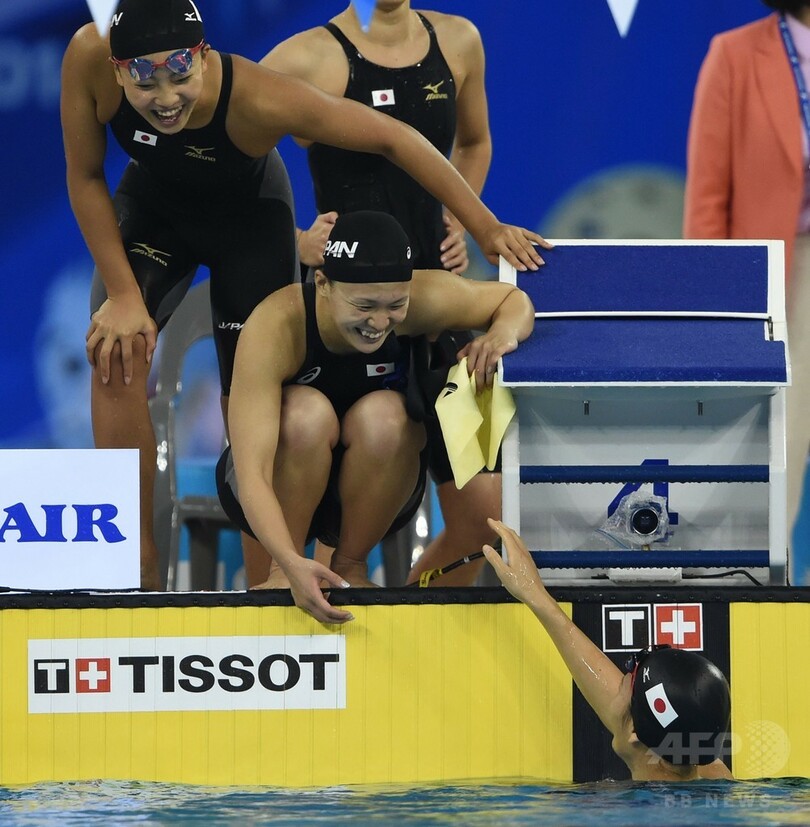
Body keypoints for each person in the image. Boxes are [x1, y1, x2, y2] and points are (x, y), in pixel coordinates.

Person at [61, 0, 549, 589]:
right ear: (116, 69)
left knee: (274, 410)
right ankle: (134, 570)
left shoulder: (258, 95)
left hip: (251, 224)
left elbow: (393, 138)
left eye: (180, 75)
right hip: (153, 212)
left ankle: (270, 584)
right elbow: (86, 176)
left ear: (205, 58)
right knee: (114, 350)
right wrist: (121, 293)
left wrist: (484, 227)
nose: (165, 98)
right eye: (144, 79)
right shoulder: (87, 57)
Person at [262, 0, 504, 586]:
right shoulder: (308, 56)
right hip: (345, 312)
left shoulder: (459, 41)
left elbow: (475, 144)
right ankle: (302, 624)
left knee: (490, 522)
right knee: (316, 533)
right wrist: (294, 238)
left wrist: (456, 215)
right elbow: (229, 152)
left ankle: (410, 627)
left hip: (435, 301)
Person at [216, 210, 536, 623]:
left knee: (388, 416)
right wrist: (286, 563)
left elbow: (514, 300)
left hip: (375, 485)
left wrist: (501, 334)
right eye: (364, 306)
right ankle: (284, 572)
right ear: (323, 284)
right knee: (305, 414)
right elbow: (252, 472)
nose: (379, 322)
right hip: (268, 481)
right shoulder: (276, 325)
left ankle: (350, 570)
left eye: (395, 305)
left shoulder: (423, 298)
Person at [683, 0, 810, 568]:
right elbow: (707, 200)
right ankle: (761, 575)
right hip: (785, 270)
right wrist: (715, 306)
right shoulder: (735, 54)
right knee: (785, 429)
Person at [482, 519, 733, 781]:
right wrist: (536, 595)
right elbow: (648, 718)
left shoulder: (623, 814)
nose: (616, 688)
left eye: (625, 685)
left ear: (635, 732)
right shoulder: (706, 769)